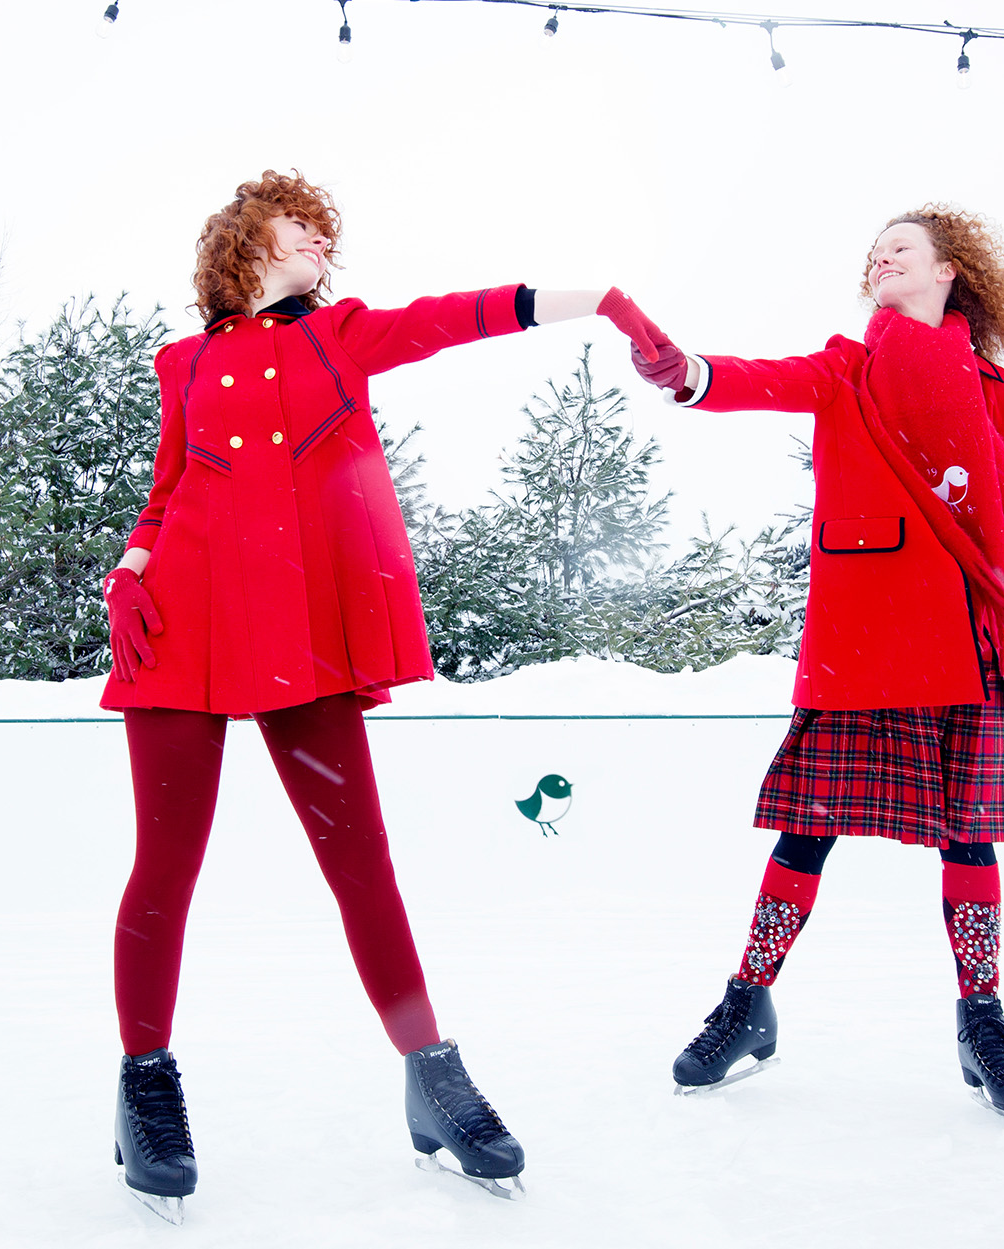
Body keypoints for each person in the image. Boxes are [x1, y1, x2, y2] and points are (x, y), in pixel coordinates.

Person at [98, 169, 662, 1214]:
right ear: (244, 242)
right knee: (166, 863)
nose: (319, 239)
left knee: (362, 865)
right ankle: (145, 1087)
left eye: (326, 230)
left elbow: (460, 318)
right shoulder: (181, 364)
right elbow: (170, 485)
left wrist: (599, 300)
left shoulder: (341, 337)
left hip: (301, 633)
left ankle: (433, 1077)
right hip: (183, 626)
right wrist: (131, 567)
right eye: (298, 224)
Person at [622, 206, 1004, 1129]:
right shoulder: (850, 366)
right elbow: (759, 380)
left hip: (960, 640)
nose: (882, 257)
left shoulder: (990, 386)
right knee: (805, 832)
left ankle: (982, 1019)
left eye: (902, 248)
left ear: (948, 271)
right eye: (875, 252)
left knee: (969, 839)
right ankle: (745, 1002)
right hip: (862, 638)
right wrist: (688, 374)